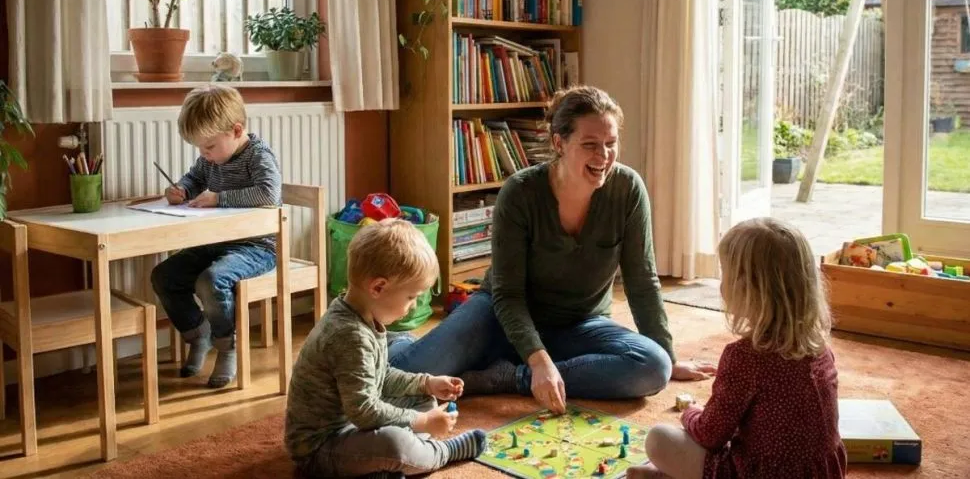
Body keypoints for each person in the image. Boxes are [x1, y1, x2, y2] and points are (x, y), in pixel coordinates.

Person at [390, 85, 715, 413]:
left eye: (611, 143)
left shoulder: (628, 189)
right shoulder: (520, 193)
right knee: (396, 384)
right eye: (590, 145)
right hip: (499, 318)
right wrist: (537, 357)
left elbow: (643, 282)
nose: (604, 156)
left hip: (579, 326)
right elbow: (508, 295)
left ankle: (507, 377)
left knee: (653, 367)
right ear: (559, 143)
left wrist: (668, 355)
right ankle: (400, 343)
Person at [627, 217, 848, 479]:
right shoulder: (820, 347)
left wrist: (691, 413)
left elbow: (710, 435)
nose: (721, 287)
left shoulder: (744, 356)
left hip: (762, 474)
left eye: (726, 275)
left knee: (658, 438)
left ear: (749, 290)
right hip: (820, 473)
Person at [285, 219, 487, 478]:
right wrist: (422, 422)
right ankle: (443, 451)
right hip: (320, 448)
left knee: (422, 397)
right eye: (411, 297)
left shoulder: (361, 315)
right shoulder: (350, 335)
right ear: (378, 287)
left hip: (352, 427)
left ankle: (379, 466)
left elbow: (381, 375)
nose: (413, 306)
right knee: (394, 444)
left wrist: (426, 382)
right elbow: (365, 412)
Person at [151, 84, 282, 388]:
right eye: (199, 149)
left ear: (236, 131)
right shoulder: (209, 160)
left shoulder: (258, 156)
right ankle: (199, 334)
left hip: (256, 247)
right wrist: (181, 189)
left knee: (211, 281)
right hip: (214, 242)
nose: (204, 155)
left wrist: (218, 198)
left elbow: (268, 193)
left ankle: (227, 346)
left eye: (208, 147)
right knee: (164, 275)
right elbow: (195, 177)